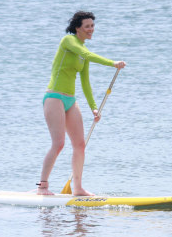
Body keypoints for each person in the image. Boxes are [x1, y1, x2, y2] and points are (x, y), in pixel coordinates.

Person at [37, 11, 126, 196]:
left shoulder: (83, 54)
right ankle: (42, 187)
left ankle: (77, 188)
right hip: (54, 97)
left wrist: (94, 107)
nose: (91, 30)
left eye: (92, 26)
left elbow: (85, 83)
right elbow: (86, 53)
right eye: (87, 27)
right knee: (59, 143)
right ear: (77, 28)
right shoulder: (68, 41)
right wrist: (112, 63)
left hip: (70, 100)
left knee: (80, 144)